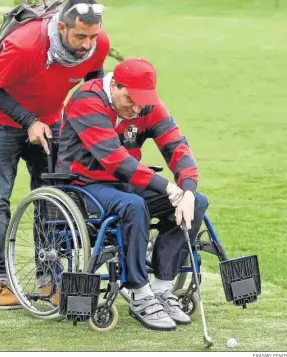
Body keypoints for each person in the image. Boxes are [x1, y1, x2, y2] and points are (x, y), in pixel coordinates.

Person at [0, 0, 110, 309]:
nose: (87, 44)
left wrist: (86, 124)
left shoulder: (97, 43)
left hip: (51, 120)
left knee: (51, 199)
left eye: (93, 36)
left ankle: (48, 278)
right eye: (80, 36)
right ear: (61, 27)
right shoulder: (24, 45)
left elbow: (94, 83)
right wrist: (28, 121)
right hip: (1, 121)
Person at [56, 57, 208, 331]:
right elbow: (116, 161)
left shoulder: (148, 105)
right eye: (130, 100)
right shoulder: (87, 100)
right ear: (114, 85)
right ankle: (139, 291)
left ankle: (162, 288)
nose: (137, 109)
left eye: (143, 102)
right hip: (84, 184)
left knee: (197, 203)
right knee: (133, 206)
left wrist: (187, 190)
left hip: (126, 183)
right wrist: (166, 187)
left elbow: (177, 148)